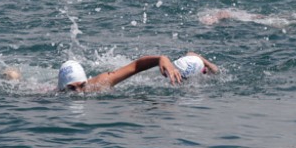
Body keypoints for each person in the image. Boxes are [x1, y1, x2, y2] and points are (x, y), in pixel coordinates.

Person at [57, 52, 218, 93]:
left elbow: (135, 67)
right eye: (72, 88)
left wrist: (161, 59)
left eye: (82, 86)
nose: (78, 92)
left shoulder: (97, 85)